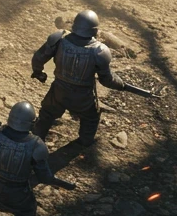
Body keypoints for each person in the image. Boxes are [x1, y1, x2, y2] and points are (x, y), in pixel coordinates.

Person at [29, 10, 151, 146]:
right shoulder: (100, 51)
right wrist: (121, 85)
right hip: (83, 96)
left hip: (58, 90)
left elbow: (38, 58)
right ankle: (84, 142)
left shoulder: (59, 40)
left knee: (47, 113)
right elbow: (106, 79)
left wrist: (38, 72)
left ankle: (36, 138)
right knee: (91, 118)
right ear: (94, 30)